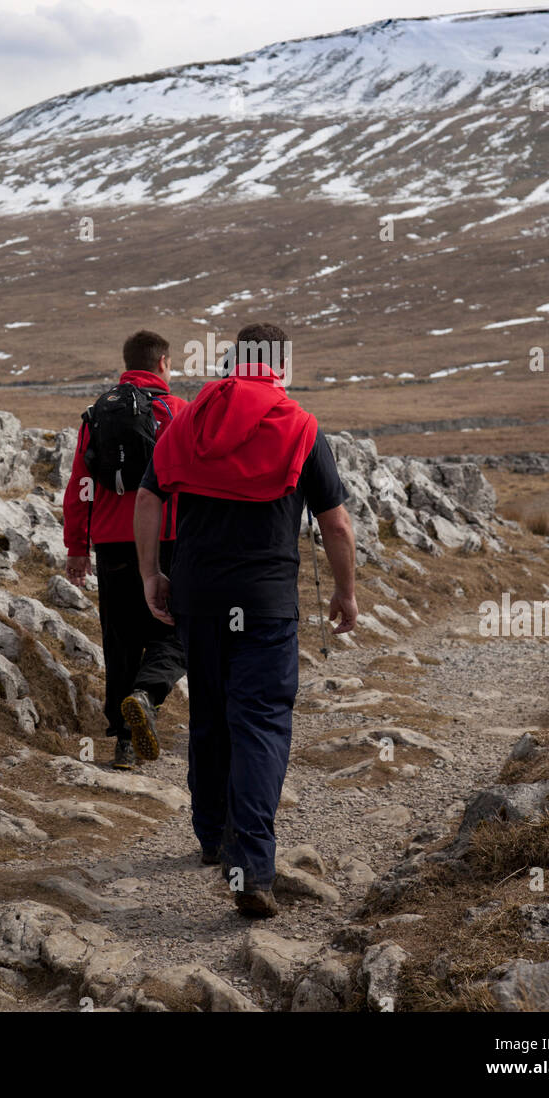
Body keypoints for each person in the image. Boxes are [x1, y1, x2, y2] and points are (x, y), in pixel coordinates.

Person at [134, 322, 356, 918]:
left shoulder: (187, 420)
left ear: (234, 361)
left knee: (210, 714)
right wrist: (346, 592)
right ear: (279, 365)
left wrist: (151, 574)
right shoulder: (301, 427)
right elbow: (334, 523)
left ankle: (210, 834)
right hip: (263, 605)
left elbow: (149, 496)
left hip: (199, 598)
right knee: (259, 723)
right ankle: (250, 866)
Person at [63, 329, 187, 770]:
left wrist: (77, 545)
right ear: (163, 364)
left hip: (113, 539)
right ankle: (147, 694)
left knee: (120, 640)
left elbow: (80, 483)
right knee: (176, 631)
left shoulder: (98, 413)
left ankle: (124, 744)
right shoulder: (178, 411)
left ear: (127, 363)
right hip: (169, 538)